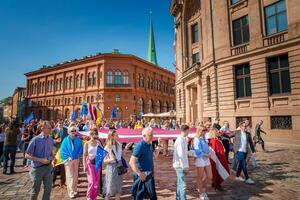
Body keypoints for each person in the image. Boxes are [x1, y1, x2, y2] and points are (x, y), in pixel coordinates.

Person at [129, 127, 161, 200]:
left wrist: (159, 145)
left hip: (149, 174)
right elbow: (131, 162)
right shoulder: (139, 146)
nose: (152, 137)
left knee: (152, 196)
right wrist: (139, 174)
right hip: (141, 175)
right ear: (144, 136)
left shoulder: (149, 144)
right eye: (150, 135)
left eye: (152, 135)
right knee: (138, 197)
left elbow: (154, 156)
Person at [25, 121, 54, 200]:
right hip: (37, 169)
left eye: (51, 127)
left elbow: (51, 153)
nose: (51, 129)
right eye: (49, 128)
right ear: (42, 129)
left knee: (48, 190)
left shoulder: (51, 139)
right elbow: (27, 155)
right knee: (35, 191)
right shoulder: (35, 139)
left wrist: (52, 158)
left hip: (48, 168)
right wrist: (41, 160)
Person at [60, 126, 83, 199]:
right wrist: (67, 157)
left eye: (74, 131)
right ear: (69, 132)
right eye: (72, 131)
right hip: (68, 160)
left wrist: (77, 155)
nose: (73, 132)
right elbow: (62, 151)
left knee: (75, 175)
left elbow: (80, 149)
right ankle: (71, 192)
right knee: (70, 176)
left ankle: (74, 189)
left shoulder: (78, 140)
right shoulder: (65, 140)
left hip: (76, 159)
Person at [103, 130, 123, 200]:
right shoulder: (106, 147)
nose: (117, 135)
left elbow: (120, 157)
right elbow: (104, 161)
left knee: (118, 185)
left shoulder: (119, 145)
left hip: (119, 166)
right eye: (115, 134)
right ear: (111, 136)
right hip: (111, 168)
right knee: (110, 185)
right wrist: (111, 159)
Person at [193, 126, 212, 200]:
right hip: (200, 159)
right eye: (204, 130)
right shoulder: (196, 139)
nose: (205, 132)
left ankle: (201, 188)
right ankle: (201, 193)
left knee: (210, 176)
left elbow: (206, 147)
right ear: (200, 131)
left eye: (206, 130)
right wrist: (206, 154)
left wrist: (209, 152)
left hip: (206, 159)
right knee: (200, 177)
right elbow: (197, 151)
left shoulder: (204, 138)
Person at [83, 128, 101, 200]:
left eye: (95, 134)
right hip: (90, 164)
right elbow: (84, 155)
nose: (93, 135)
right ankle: (89, 197)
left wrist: (99, 159)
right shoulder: (86, 143)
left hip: (97, 164)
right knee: (92, 182)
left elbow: (102, 152)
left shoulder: (98, 142)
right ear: (90, 135)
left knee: (96, 183)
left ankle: (94, 197)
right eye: (92, 134)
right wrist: (84, 165)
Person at [173, 125, 189, 200]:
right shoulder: (180, 140)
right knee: (182, 185)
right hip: (180, 165)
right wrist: (184, 167)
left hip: (179, 165)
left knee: (179, 184)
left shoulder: (183, 139)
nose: (188, 132)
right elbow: (180, 155)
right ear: (185, 131)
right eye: (188, 131)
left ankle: (178, 198)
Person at [51, 121, 68, 188]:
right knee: (54, 167)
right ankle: (52, 181)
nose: (61, 124)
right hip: (56, 152)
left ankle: (62, 183)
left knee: (63, 168)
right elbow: (50, 139)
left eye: (62, 123)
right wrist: (55, 141)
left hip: (64, 152)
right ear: (57, 123)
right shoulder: (54, 131)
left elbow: (68, 139)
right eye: (59, 123)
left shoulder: (66, 130)